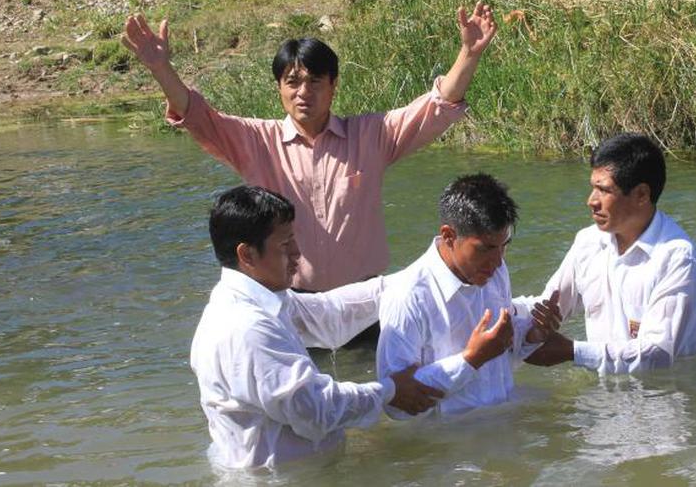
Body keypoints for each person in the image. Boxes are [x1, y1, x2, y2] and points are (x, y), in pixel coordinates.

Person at [121, 3, 497, 294]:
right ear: (279, 89)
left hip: (365, 299)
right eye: (293, 81)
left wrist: (470, 54)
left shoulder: (371, 135)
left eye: (316, 81)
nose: (304, 92)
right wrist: (160, 68)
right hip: (292, 302)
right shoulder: (256, 141)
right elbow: (196, 116)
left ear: (333, 86)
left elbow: (436, 107)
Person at [192, 185, 516, 469]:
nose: (298, 253)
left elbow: (330, 316)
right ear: (247, 255)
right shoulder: (246, 327)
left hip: (306, 468)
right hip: (279, 478)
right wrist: (389, 391)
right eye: (286, 244)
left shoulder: (266, 300)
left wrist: (421, 276)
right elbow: (315, 409)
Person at [517, 133, 696, 374]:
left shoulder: (677, 258)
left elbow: (658, 354)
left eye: (604, 190)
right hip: (603, 393)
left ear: (642, 194)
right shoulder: (588, 242)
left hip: (669, 393)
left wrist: (572, 351)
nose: (591, 201)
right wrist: (500, 311)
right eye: (593, 188)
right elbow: (550, 306)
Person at [376, 174, 560, 417]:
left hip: (503, 422)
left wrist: (531, 335)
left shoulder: (495, 271)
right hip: (448, 437)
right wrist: (471, 359)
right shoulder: (407, 296)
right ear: (449, 236)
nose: (498, 261)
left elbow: (500, 353)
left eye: (504, 245)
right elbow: (394, 405)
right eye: (485, 249)